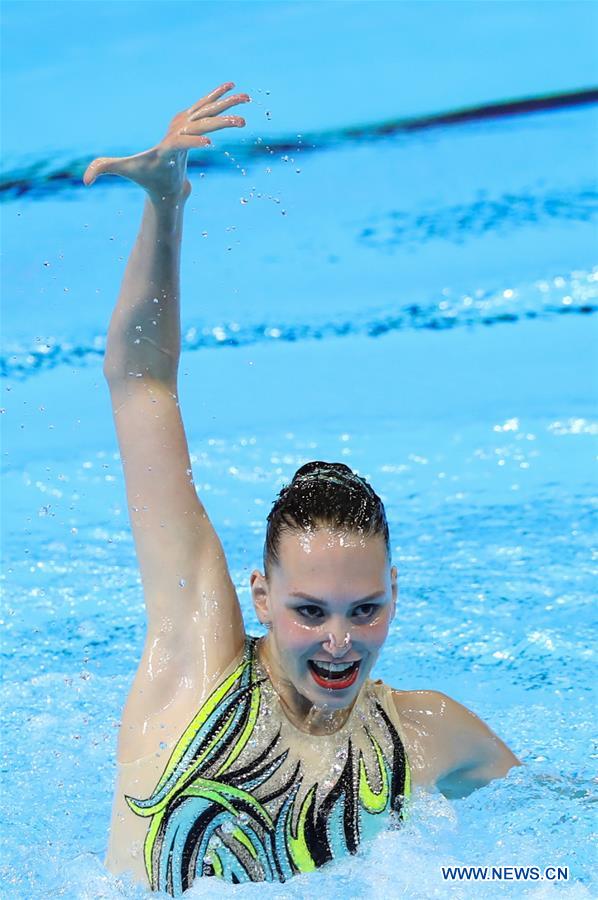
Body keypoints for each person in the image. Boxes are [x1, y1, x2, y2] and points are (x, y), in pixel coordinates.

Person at [84, 82, 520, 894]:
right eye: (309, 611)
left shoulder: (423, 735)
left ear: (395, 593)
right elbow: (139, 380)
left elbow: (544, 844)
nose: (339, 643)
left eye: (364, 610)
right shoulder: (198, 660)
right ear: (261, 594)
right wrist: (166, 206)